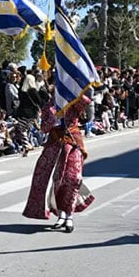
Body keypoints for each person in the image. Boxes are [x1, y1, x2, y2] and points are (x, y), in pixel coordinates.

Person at [23, 87, 95, 233]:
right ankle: (61, 214)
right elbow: (43, 128)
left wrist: (84, 90)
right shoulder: (48, 107)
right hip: (55, 144)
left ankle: (69, 215)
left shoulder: (74, 102)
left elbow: (87, 105)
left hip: (73, 143)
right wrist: (54, 119)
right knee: (58, 180)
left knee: (73, 179)